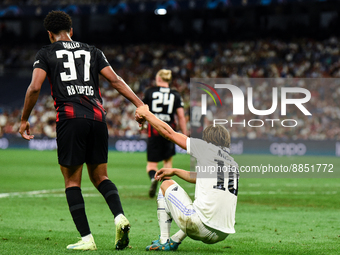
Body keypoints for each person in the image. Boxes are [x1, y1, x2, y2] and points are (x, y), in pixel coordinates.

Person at [19, 11, 144, 251]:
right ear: (71, 30)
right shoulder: (93, 50)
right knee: (101, 177)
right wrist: (139, 104)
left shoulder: (45, 53)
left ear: (49, 34)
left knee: (71, 181)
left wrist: (24, 119)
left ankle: (87, 239)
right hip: (98, 118)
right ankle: (119, 216)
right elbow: (116, 80)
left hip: (70, 118)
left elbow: (35, 87)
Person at [136, 105, 239, 251]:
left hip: (201, 226)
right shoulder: (233, 164)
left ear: (208, 139)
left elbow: (169, 133)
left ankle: (164, 240)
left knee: (166, 184)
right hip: (223, 233)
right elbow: (203, 178)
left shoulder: (206, 148)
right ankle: (175, 240)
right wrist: (176, 171)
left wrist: (147, 115)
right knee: (200, 206)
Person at [142, 69, 187, 198]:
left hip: (154, 131)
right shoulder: (175, 94)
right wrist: (184, 135)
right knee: (168, 164)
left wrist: (142, 124)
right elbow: (181, 116)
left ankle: (153, 178)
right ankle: (167, 191)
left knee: (151, 164)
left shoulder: (150, 92)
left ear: (159, 79)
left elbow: (143, 111)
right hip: (169, 132)